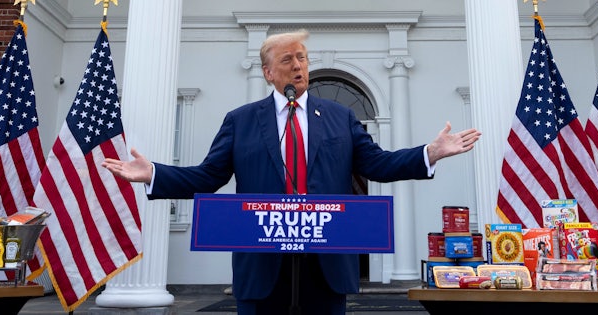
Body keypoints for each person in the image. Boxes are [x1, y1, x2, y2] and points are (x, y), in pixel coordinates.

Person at [102, 29, 481, 315]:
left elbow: (375, 164)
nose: (298, 65)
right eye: (287, 60)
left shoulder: (340, 117)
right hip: (262, 264)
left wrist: (427, 154)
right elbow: (207, 176)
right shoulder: (241, 121)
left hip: (326, 262)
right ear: (268, 72)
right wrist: (153, 172)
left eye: (302, 58)